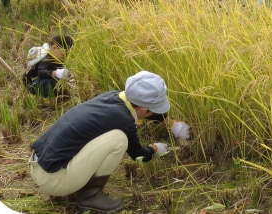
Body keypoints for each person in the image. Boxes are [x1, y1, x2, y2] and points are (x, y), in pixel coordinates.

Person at [29, 71, 191, 211]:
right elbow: (138, 156)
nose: (155, 114)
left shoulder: (113, 97)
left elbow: (147, 112)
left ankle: (81, 185)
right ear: (142, 109)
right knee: (118, 139)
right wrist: (155, 149)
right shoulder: (124, 121)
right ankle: (89, 197)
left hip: (39, 163)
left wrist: (173, 124)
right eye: (153, 110)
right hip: (53, 180)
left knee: (110, 137)